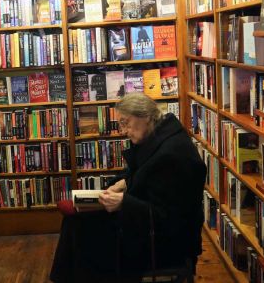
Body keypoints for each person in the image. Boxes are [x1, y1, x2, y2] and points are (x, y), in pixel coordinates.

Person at [50, 93, 207, 282]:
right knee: (77, 221)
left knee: (82, 231)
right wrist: (123, 183)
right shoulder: (157, 137)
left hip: (164, 241)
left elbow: (170, 219)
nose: (123, 130)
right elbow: (145, 174)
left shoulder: (172, 154)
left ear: (146, 116)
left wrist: (124, 203)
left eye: (126, 123)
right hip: (146, 225)